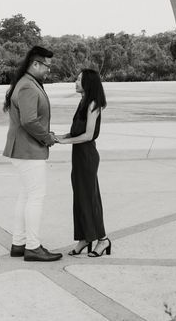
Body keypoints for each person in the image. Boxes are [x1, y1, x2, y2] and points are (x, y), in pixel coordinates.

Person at [2, 45, 62, 262]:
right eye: (47, 66)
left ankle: (19, 243)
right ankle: (33, 247)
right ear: (35, 64)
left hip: (23, 150)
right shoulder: (27, 86)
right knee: (36, 196)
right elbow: (29, 120)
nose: (49, 70)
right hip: (28, 150)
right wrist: (47, 137)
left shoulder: (27, 83)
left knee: (26, 196)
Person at [55, 68, 111, 257]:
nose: (76, 82)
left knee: (90, 198)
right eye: (76, 79)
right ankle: (85, 238)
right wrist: (59, 136)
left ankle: (102, 240)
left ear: (88, 83)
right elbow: (76, 131)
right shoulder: (82, 102)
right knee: (79, 198)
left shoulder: (93, 104)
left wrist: (65, 141)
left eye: (79, 80)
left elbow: (87, 135)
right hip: (78, 155)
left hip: (87, 156)